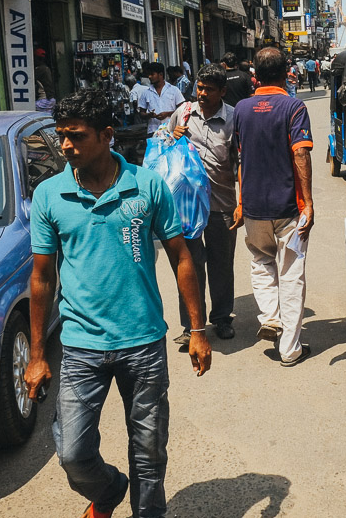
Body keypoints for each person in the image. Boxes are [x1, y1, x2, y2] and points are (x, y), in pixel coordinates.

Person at [24, 89, 212, 518]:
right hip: (81, 346)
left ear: (107, 135)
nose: (65, 146)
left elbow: (182, 257)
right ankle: (108, 492)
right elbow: (41, 277)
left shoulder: (146, 185)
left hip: (143, 342)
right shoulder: (50, 195)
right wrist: (36, 354)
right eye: (61, 136)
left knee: (148, 454)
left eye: (76, 136)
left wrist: (198, 330)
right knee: (73, 452)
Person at [233, 46, 315, 367]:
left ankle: (270, 317)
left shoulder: (240, 109)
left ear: (255, 75)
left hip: (253, 206)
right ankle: (290, 348)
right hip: (288, 208)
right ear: (286, 73)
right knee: (291, 273)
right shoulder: (293, 107)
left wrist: (240, 201)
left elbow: (239, 158)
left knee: (260, 262)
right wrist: (308, 201)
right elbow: (300, 154)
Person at [160, 64, 240, 345]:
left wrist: (241, 202)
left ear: (222, 91)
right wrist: (172, 138)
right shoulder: (181, 113)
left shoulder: (233, 118)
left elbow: (240, 162)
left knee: (222, 264)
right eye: (200, 87)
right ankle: (191, 325)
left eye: (208, 89)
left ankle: (221, 318)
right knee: (189, 266)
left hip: (223, 204)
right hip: (186, 208)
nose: (202, 93)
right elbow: (161, 147)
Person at [139, 63, 185, 135]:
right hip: (153, 132)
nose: (149, 77)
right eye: (148, 74)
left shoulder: (174, 90)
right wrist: (149, 115)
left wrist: (167, 114)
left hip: (171, 130)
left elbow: (183, 109)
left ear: (160, 74)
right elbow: (141, 113)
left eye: (152, 74)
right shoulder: (146, 93)